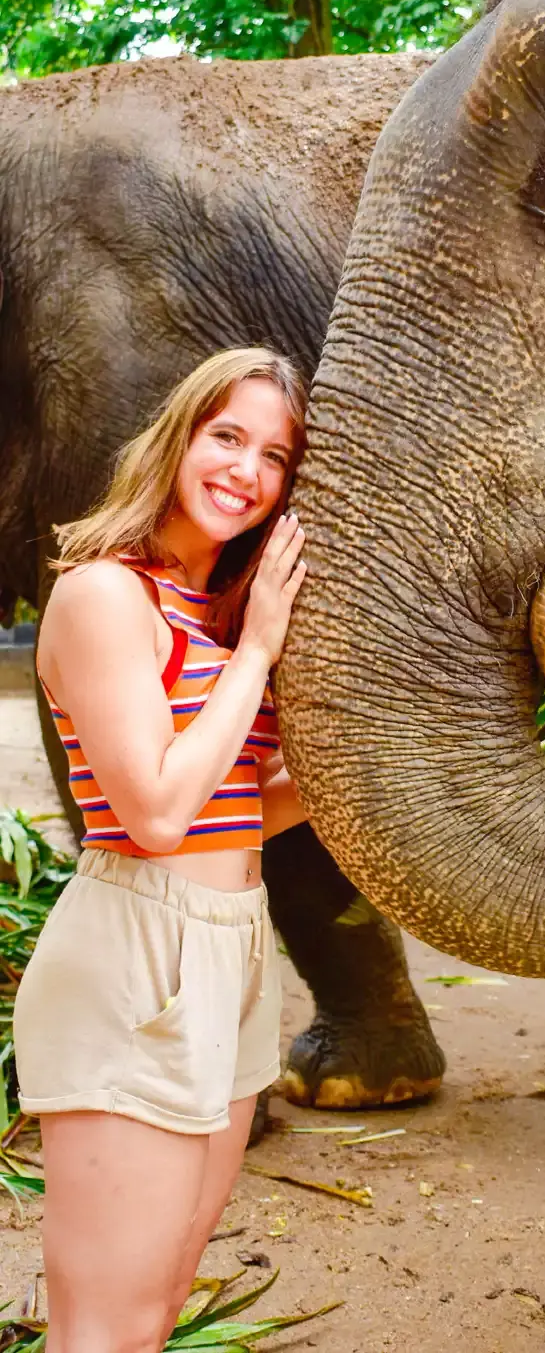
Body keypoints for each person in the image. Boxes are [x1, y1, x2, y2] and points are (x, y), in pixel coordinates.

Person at [13, 346, 311, 1353]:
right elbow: (153, 813)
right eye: (228, 434)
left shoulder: (214, 616)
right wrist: (263, 648)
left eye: (275, 454)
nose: (246, 469)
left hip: (233, 950)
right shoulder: (108, 596)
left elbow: (234, 809)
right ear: (180, 434)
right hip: (138, 955)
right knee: (100, 1328)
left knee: (151, 1309)